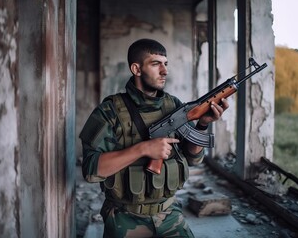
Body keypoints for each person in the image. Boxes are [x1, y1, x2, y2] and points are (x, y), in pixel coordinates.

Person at [79, 38, 229, 238]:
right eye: (156, 64)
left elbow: (193, 158)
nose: (165, 71)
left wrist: (202, 124)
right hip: (125, 217)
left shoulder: (174, 106)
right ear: (136, 69)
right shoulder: (110, 111)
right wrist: (143, 149)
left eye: (165, 64)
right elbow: (91, 171)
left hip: (169, 213)